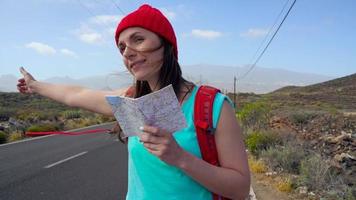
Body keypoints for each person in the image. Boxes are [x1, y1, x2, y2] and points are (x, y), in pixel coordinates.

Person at [17, 4, 250, 200]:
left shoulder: (213, 106)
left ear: (166, 44)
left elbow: (240, 188)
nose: (127, 52)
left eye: (138, 39)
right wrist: (35, 86)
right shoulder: (130, 100)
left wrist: (180, 158)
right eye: (121, 47)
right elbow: (75, 94)